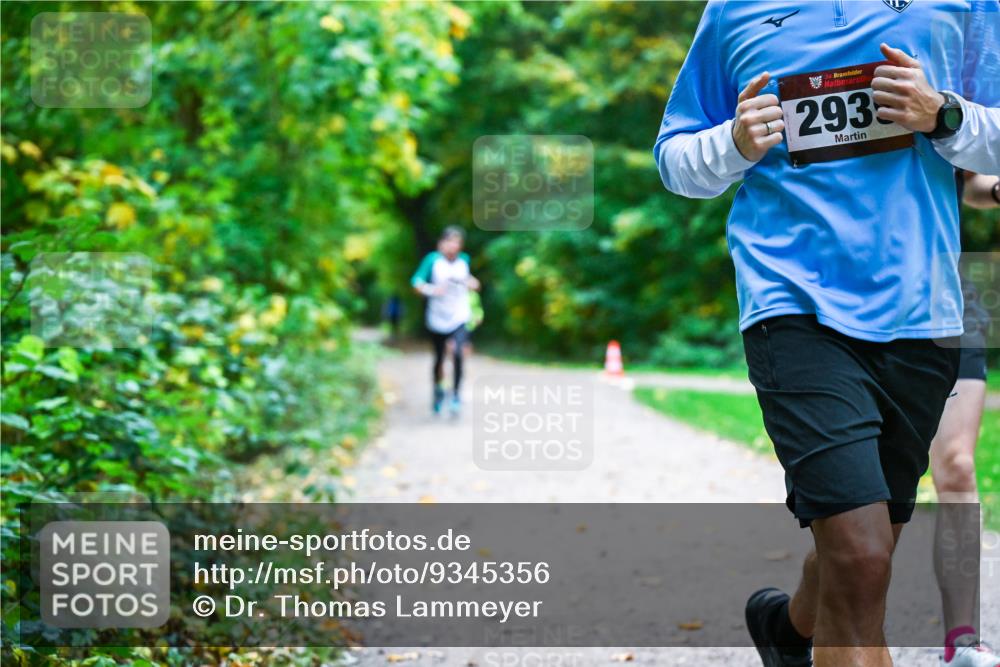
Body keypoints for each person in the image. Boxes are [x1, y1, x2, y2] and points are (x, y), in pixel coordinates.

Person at [654, 2, 999, 666]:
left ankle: (787, 629)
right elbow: (673, 158)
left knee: (864, 551)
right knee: (863, 555)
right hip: (791, 303)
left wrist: (943, 114)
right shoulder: (735, 11)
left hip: (921, 312)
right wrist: (732, 143)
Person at [931, 170, 1000, 667]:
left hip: (950, 293)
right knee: (866, 498)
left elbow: (970, 183)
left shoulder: (952, 91)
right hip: (853, 302)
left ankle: (961, 639)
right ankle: (801, 621)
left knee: (957, 466)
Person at [410, 226, 480, 416]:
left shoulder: (464, 261)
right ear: (442, 243)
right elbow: (415, 282)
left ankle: (456, 395)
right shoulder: (432, 260)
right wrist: (432, 290)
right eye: (450, 241)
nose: (453, 245)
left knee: (458, 352)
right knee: (439, 357)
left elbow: (470, 280)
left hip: (459, 315)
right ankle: (438, 390)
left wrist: (473, 283)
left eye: (457, 242)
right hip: (437, 317)